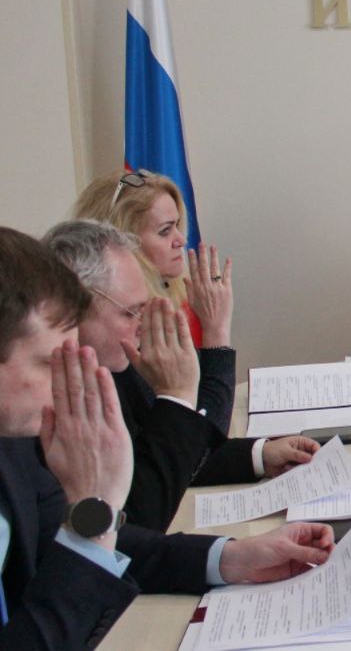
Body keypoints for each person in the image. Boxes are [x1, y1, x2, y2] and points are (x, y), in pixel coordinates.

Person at [0, 227, 333, 650]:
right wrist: (97, 510)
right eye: (49, 364)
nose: (65, 382)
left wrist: (233, 557)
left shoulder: (12, 446)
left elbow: (87, 544)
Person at [44, 220, 317, 530]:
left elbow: (172, 451)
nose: (141, 324)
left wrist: (260, 455)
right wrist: (177, 396)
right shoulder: (49, 403)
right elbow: (137, 518)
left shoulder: (113, 363)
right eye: (129, 312)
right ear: (70, 312)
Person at [71, 168, 232, 354]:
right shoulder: (124, 324)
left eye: (177, 225)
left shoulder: (177, 298)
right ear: (123, 241)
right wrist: (216, 329)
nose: (181, 240)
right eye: (165, 231)